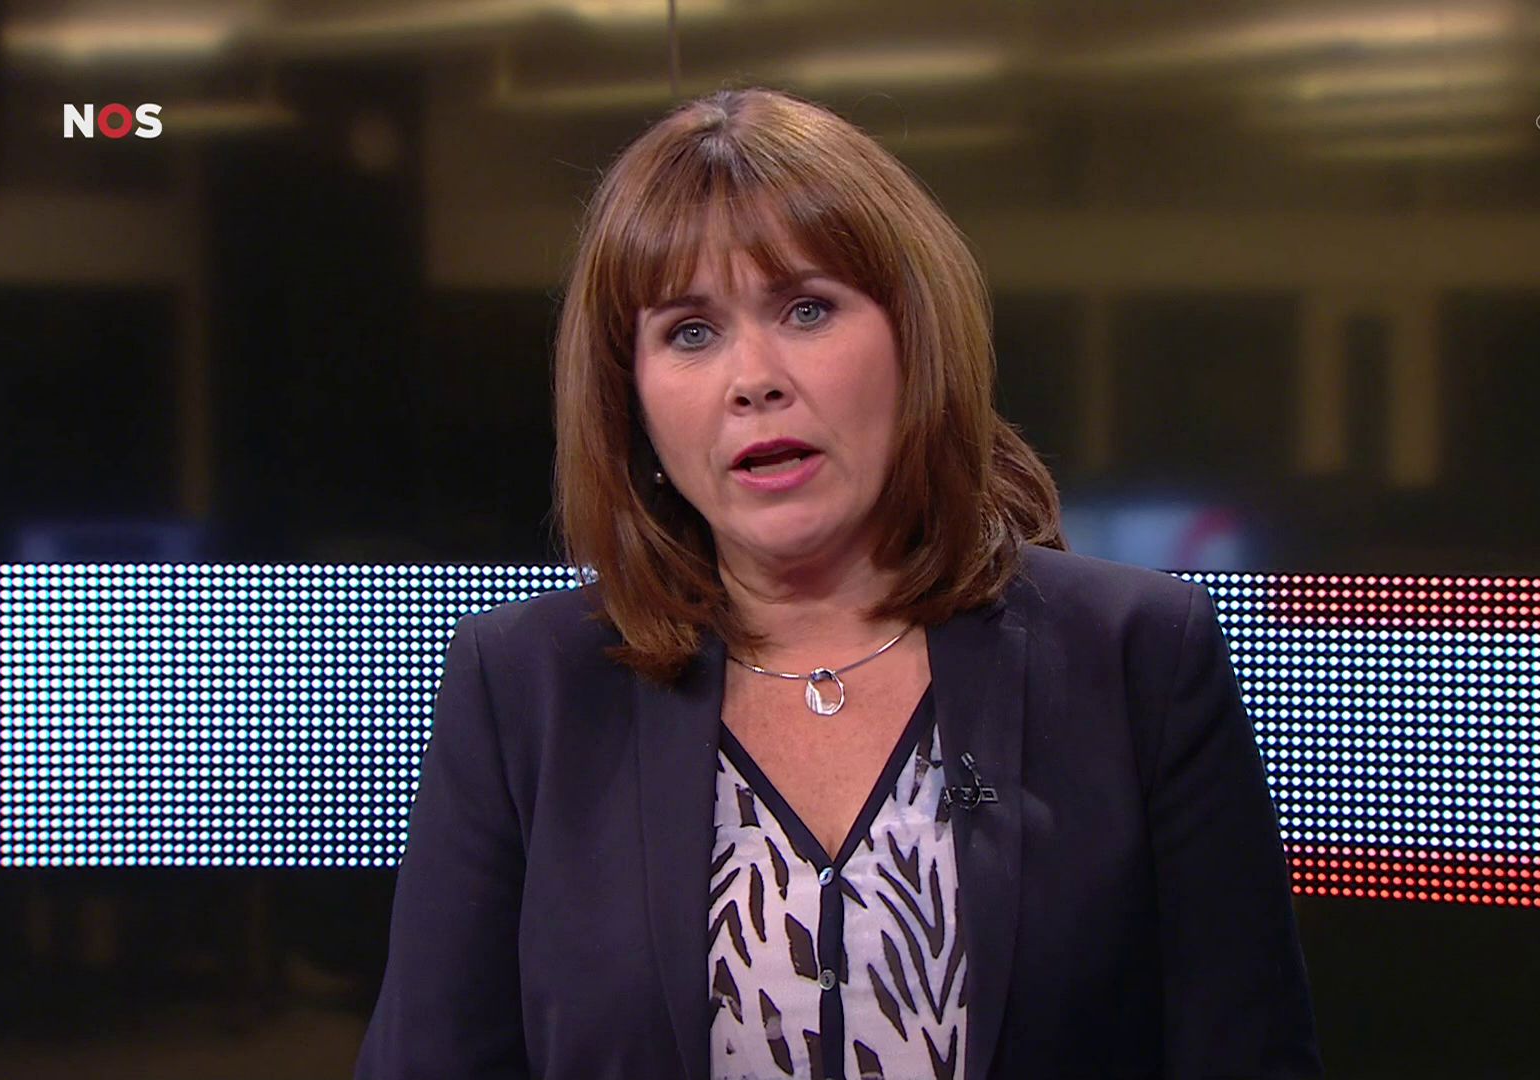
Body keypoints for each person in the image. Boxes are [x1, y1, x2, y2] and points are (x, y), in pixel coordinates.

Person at [354, 85, 1321, 1080]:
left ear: (913, 337)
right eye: (690, 332)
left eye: (806, 309)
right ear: (629, 396)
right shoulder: (526, 687)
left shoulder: (1139, 659)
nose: (753, 378)